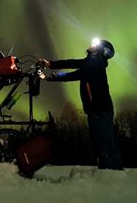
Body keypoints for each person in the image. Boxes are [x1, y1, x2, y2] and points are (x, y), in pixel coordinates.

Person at [38, 39, 123, 170]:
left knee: (105, 142)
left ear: (102, 51)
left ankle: (114, 172)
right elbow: (72, 75)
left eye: (96, 46)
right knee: (100, 143)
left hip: (100, 110)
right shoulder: (91, 66)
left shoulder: (96, 63)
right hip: (95, 111)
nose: (92, 46)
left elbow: (72, 64)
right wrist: (49, 77)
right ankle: (108, 172)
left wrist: (50, 64)